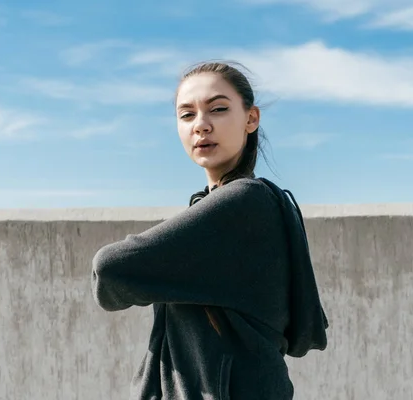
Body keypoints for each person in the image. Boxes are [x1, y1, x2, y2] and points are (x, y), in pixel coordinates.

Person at [91, 61, 329, 399]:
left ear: (251, 118)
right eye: (187, 115)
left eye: (217, 109)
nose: (201, 125)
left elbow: (110, 269)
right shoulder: (219, 205)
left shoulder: (245, 203)